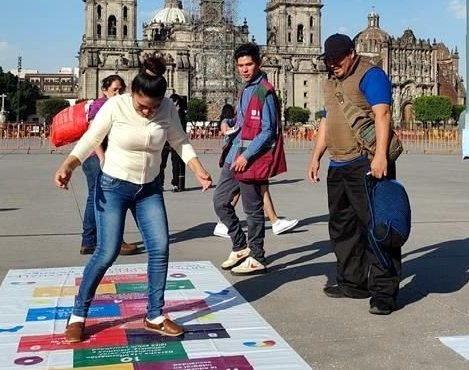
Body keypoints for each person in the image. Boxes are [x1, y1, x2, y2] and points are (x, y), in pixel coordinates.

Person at [54, 55, 213, 343]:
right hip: (114, 186)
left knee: (160, 247)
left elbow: (180, 141)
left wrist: (198, 169)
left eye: (152, 108)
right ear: (132, 93)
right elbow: (91, 138)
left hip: (149, 189)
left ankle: (154, 315)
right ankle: (78, 314)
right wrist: (69, 164)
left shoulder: (166, 109)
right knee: (107, 251)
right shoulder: (117, 105)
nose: (146, 112)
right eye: (141, 105)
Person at [308, 33, 400, 316]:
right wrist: (316, 156)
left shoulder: (370, 75)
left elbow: (382, 115)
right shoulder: (330, 82)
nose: (332, 65)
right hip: (338, 164)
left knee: (377, 227)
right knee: (342, 227)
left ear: (351, 53)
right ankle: (353, 282)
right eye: (328, 60)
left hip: (365, 162)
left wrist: (381, 156)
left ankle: (384, 292)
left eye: (337, 59)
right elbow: (326, 120)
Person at [212, 43, 282, 275]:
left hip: (249, 160)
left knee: (252, 210)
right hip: (234, 156)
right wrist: (226, 123)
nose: (244, 69)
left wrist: (247, 155)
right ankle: (240, 245)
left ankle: (258, 255)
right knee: (220, 201)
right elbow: (242, 123)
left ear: (258, 63)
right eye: (240, 65)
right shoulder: (245, 90)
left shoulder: (265, 91)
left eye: (249, 64)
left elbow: (268, 130)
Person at [212, 105, 299, 238]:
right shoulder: (252, 96)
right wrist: (225, 123)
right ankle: (233, 231)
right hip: (243, 155)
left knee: (258, 187)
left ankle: (273, 223)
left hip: (245, 154)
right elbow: (256, 126)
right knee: (251, 196)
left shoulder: (251, 95)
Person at [80, 75, 138, 257]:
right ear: (104, 90)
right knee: (112, 199)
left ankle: (89, 241)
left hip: (95, 158)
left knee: (96, 198)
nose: (119, 93)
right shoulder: (100, 105)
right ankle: (114, 241)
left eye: (122, 89)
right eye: (115, 90)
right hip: (97, 158)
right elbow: (93, 135)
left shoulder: (113, 105)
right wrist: (103, 159)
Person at [159, 92, 187, 192]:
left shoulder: (181, 113)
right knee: (161, 164)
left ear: (177, 102)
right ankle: (160, 183)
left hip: (174, 141)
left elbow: (181, 128)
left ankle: (175, 184)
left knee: (175, 164)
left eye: (173, 102)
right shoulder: (166, 112)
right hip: (165, 142)